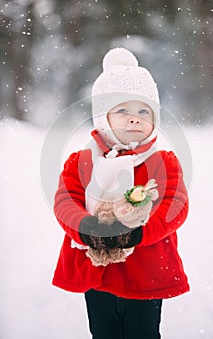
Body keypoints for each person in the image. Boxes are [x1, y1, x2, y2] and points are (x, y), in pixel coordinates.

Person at [52, 47, 190, 339]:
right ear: (103, 117)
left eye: (143, 111)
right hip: (96, 275)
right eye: (122, 110)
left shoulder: (162, 162)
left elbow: (174, 206)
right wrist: (86, 229)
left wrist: (138, 233)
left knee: (144, 333)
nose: (134, 119)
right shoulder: (82, 161)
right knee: (104, 332)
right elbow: (66, 202)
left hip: (146, 274)